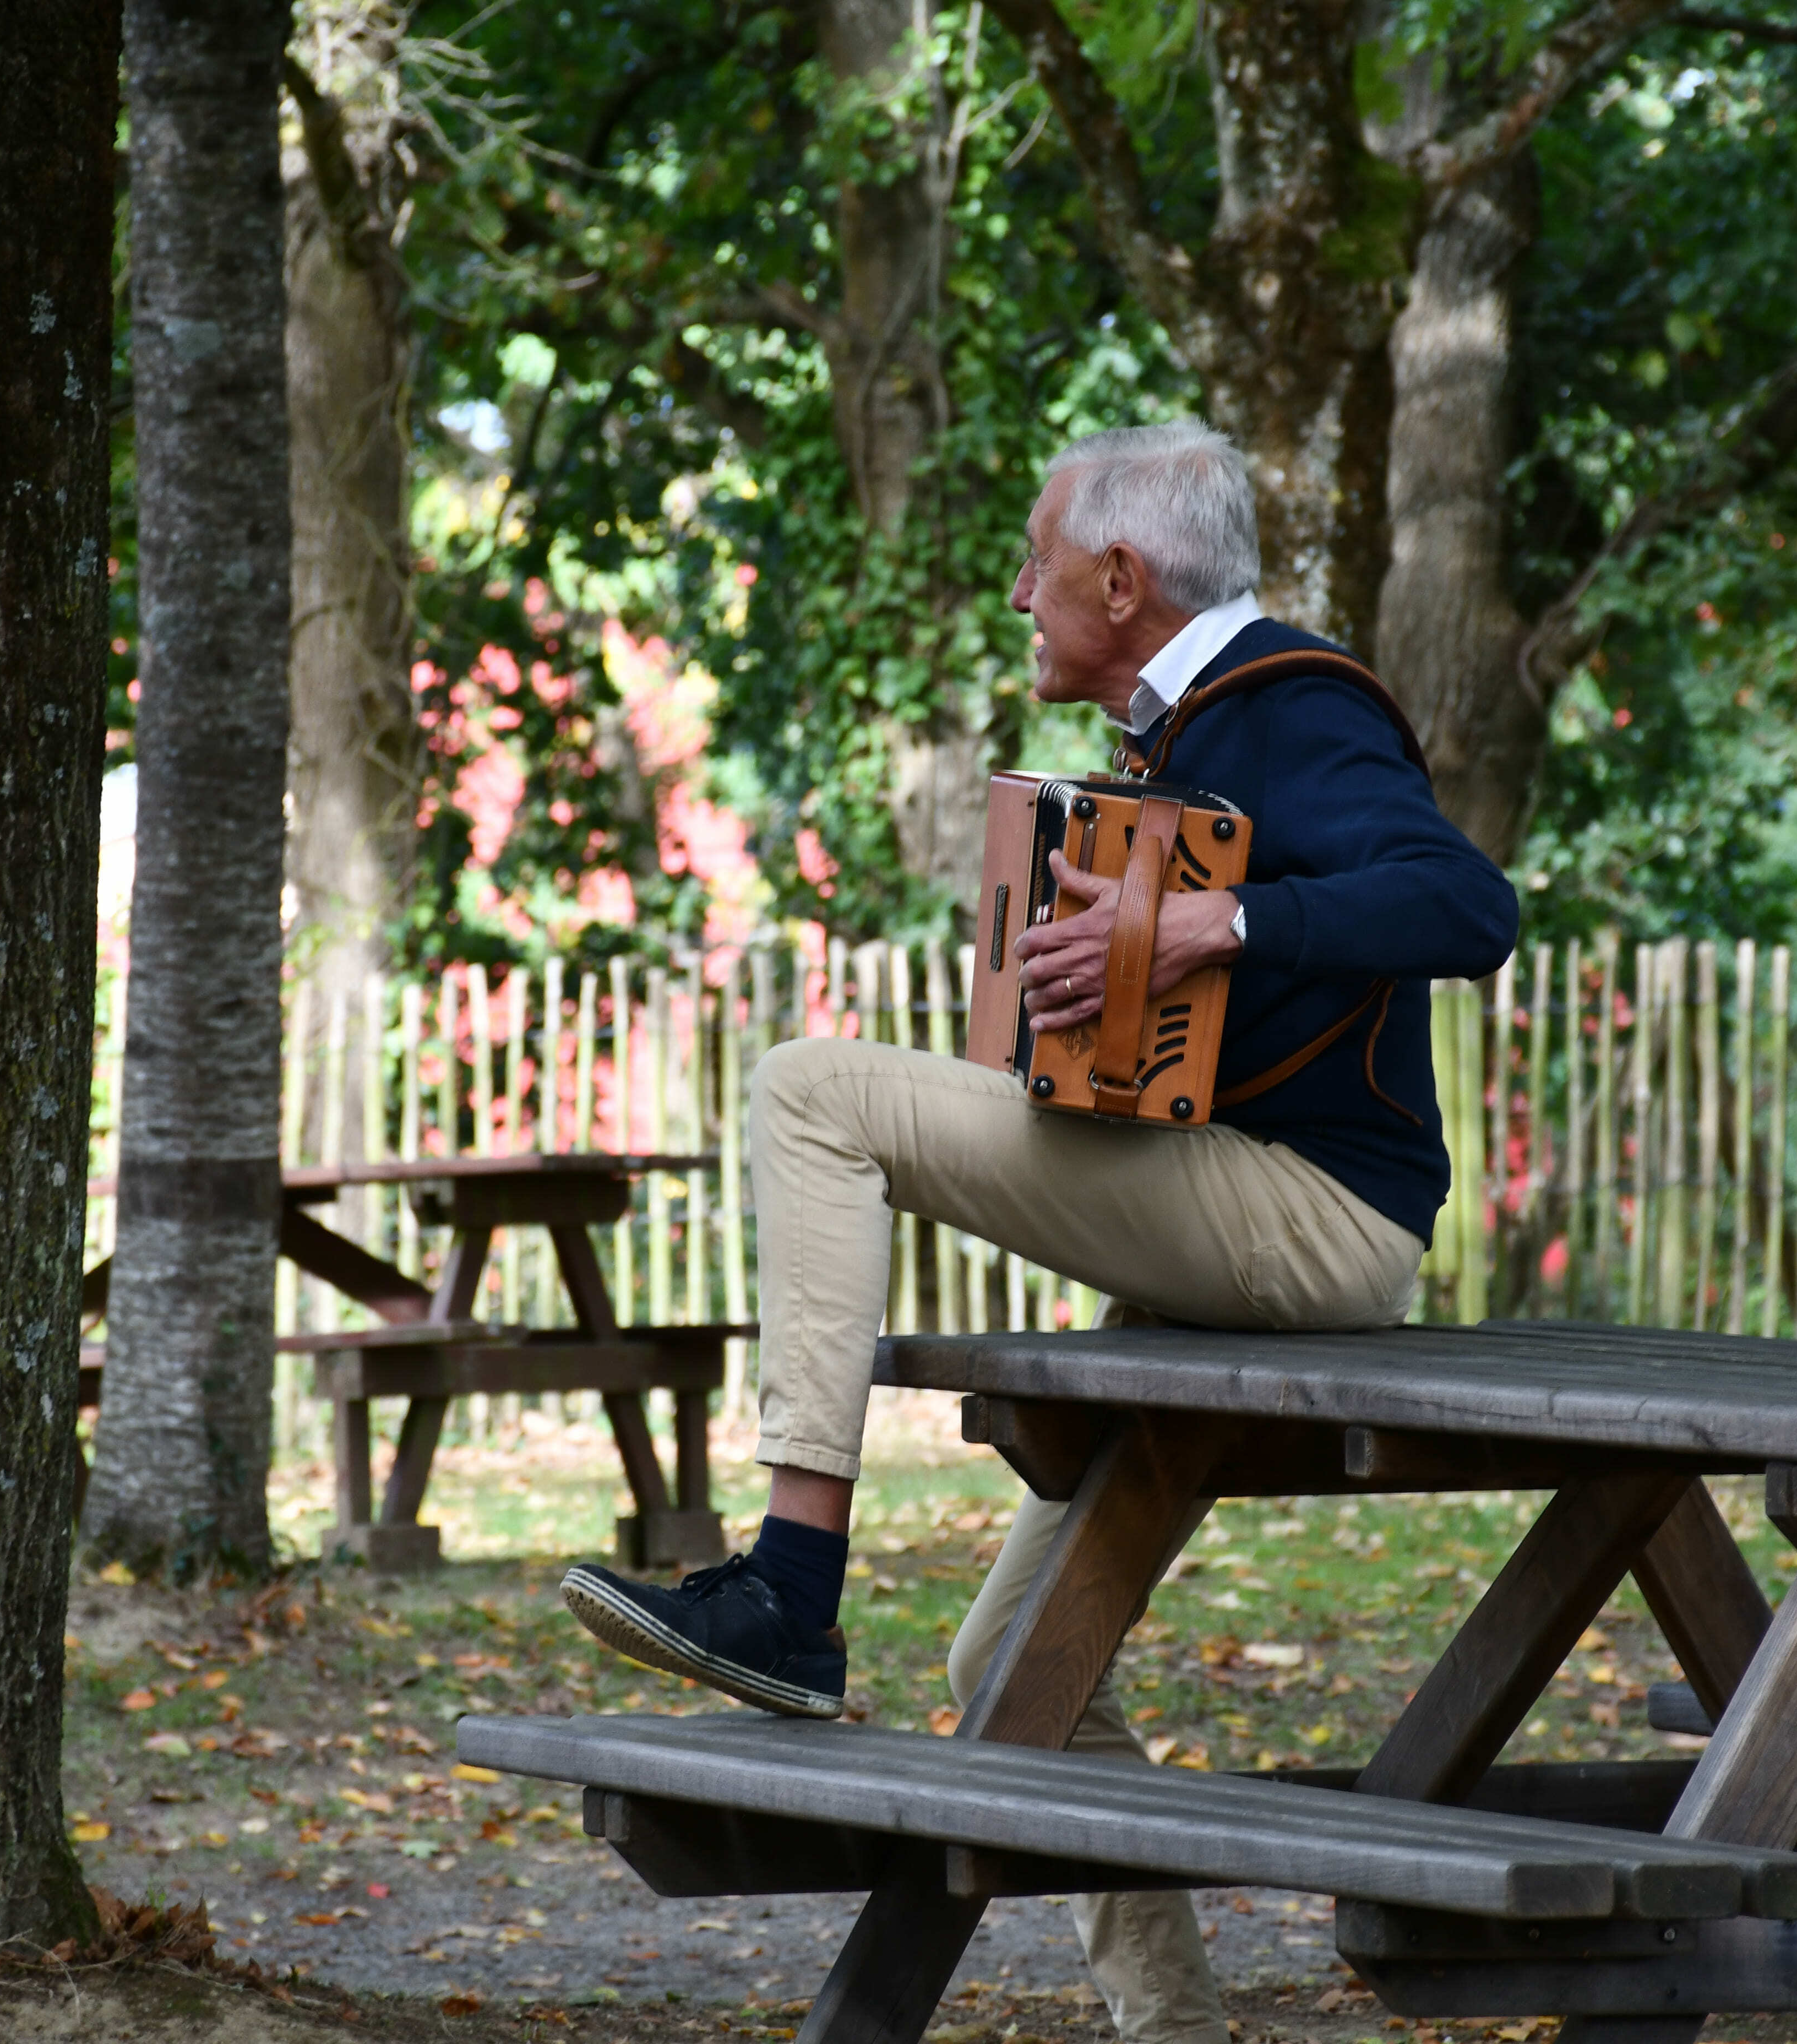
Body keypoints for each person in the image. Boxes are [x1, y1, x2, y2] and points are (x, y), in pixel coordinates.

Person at [559, 419, 1518, 2044]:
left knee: (812, 1091)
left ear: (1123, 580)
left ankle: (791, 1586)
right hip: (1230, 1197)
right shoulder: (1189, 732)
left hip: (1312, 1218)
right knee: (1010, 1664)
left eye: (1038, 563)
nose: (1021, 593)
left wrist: (1222, 920)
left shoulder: (1295, 706)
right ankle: (1174, 2028)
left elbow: (1470, 909)